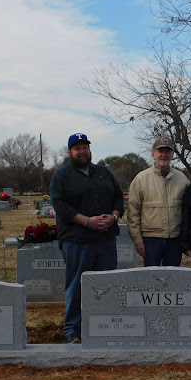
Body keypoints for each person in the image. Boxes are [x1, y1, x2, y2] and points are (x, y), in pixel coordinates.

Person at [49, 132, 124, 344]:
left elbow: (118, 197)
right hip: (76, 240)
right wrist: (87, 221)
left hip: (105, 239)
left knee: (106, 285)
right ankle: (73, 328)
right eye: (77, 148)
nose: (82, 151)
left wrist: (114, 217)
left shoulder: (103, 173)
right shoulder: (62, 176)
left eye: (85, 147)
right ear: (70, 152)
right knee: (77, 285)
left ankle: (104, 324)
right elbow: (60, 205)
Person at [127, 136, 190, 266]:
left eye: (167, 151)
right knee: (151, 281)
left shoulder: (183, 180)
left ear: (172, 155)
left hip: (174, 240)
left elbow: (189, 212)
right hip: (150, 240)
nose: (163, 155)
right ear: (153, 154)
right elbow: (133, 213)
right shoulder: (140, 179)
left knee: (172, 280)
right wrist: (138, 241)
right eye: (160, 151)